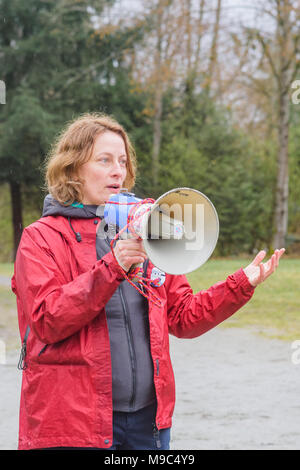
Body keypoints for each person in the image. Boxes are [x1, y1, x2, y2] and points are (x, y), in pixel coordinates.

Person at [11, 112, 285, 451]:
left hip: (147, 424)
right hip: (73, 425)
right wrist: (113, 267)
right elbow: (46, 320)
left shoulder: (146, 228)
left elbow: (183, 317)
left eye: (123, 161)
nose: (118, 170)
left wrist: (241, 284)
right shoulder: (41, 238)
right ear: (72, 169)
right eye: (104, 160)